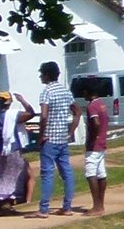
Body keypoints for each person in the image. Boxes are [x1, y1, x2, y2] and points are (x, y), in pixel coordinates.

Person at [33, 61, 78, 216]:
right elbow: (76, 112)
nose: (40, 76)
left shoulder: (47, 91)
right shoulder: (65, 91)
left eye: (41, 73)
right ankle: (67, 207)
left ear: (46, 75)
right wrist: (71, 131)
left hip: (49, 138)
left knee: (47, 173)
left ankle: (44, 208)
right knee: (66, 172)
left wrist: (40, 135)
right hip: (62, 139)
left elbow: (44, 115)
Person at [0, 91, 29, 216]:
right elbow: (31, 113)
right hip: (11, 149)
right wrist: (23, 100)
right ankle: (5, 204)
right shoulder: (12, 115)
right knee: (12, 176)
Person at [80, 81, 109, 216]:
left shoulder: (92, 106)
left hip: (94, 145)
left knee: (91, 173)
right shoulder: (101, 104)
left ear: (87, 92)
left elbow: (96, 122)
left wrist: (93, 138)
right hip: (102, 143)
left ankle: (96, 206)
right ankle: (101, 205)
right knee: (101, 174)